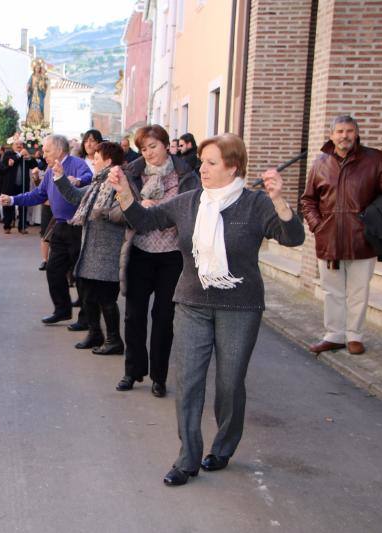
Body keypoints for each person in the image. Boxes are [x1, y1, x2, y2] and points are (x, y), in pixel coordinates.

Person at [107, 133, 305, 486]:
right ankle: (187, 457)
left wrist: (280, 202)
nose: (204, 169)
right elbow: (145, 221)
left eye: (213, 163)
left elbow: (292, 237)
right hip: (192, 303)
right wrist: (124, 191)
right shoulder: (189, 202)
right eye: (203, 162)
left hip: (239, 306)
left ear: (234, 166)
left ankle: (224, 446)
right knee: (188, 381)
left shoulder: (255, 204)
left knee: (229, 383)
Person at [300, 116, 382, 356]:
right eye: (340, 131)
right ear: (331, 134)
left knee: (358, 290)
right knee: (332, 291)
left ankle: (354, 335)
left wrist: (372, 218)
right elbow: (308, 200)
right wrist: (317, 225)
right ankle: (334, 335)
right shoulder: (320, 163)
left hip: (362, 239)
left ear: (356, 133)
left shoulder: (374, 160)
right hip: (329, 239)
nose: (344, 136)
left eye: (349, 131)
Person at [112, 125, 200, 396]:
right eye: (144, 148)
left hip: (173, 256)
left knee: (164, 317)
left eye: (153, 146)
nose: (149, 153)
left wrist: (162, 213)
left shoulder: (186, 175)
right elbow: (114, 213)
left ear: (166, 145)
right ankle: (132, 371)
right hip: (139, 251)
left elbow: (194, 211)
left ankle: (159, 377)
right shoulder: (132, 174)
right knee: (134, 314)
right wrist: (136, 208)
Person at [0, 134, 93, 324]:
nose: (44, 155)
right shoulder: (50, 171)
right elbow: (39, 194)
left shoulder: (77, 163)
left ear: (59, 150)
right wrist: (13, 200)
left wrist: (77, 181)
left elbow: (89, 178)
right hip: (59, 225)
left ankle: (86, 318)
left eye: (47, 150)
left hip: (78, 226)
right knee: (54, 270)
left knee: (80, 274)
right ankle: (62, 310)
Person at [53, 142, 127, 355]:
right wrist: (59, 176)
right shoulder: (97, 182)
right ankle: (95, 333)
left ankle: (114, 340)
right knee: (87, 295)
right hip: (91, 249)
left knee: (106, 298)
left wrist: (102, 213)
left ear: (109, 160)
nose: (93, 160)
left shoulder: (118, 181)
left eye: (97, 156)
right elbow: (76, 196)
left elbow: (124, 211)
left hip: (108, 250)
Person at [0, 140, 32, 234]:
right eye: (16, 144)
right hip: (10, 184)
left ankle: (22, 227)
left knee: (23, 205)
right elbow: (8, 163)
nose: (19, 145)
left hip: (23, 184)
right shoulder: (8, 154)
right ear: (12, 146)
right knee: (8, 205)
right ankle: (7, 225)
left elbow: (34, 165)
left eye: (21, 144)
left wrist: (29, 157)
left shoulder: (25, 155)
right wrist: (19, 155)